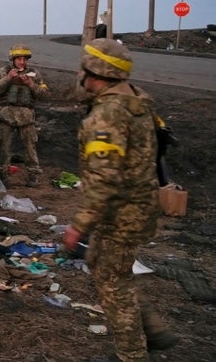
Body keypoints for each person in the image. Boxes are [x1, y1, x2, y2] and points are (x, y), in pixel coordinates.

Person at [63, 38, 177, 361]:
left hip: (120, 213)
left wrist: (79, 226)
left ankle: (133, 355)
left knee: (114, 285)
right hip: (138, 205)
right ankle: (153, 332)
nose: (79, 73)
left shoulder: (108, 116)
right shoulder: (136, 99)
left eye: (83, 68)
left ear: (95, 72)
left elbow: (104, 179)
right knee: (105, 267)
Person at [0, 44, 49, 186]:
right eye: (19, 59)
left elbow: (44, 94)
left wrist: (30, 84)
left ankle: (33, 175)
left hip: (26, 116)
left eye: (24, 59)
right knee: (4, 147)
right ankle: (3, 175)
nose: (22, 62)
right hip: (6, 115)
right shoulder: (3, 72)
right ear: (13, 59)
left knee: (30, 148)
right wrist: (8, 79)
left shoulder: (34, 74)